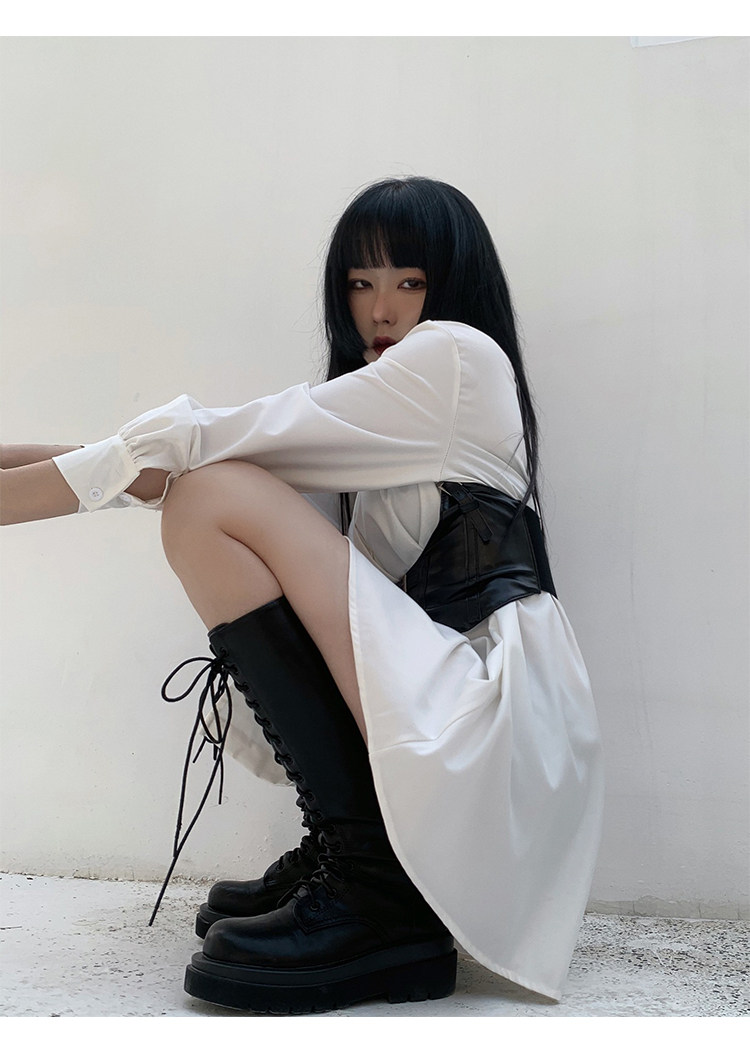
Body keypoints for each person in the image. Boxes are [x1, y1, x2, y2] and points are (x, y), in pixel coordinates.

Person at [0, 177, 604, 1014]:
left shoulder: (455, 357)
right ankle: (359, 849)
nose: (380, 309)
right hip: (471, 717)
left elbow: (203, 450)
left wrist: (30, 492)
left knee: (209, 496)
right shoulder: (391, 411)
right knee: (205, 491)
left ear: (452, 287)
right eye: (360, 283)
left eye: (410, 281)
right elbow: (174, 466)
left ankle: (375, 885)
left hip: (495, 724)